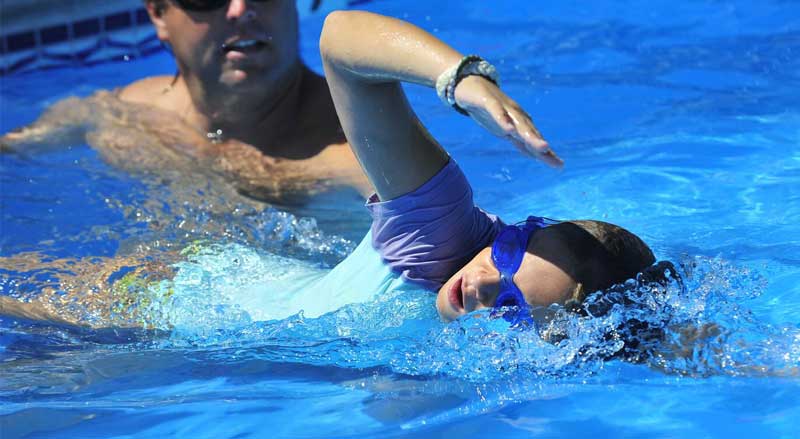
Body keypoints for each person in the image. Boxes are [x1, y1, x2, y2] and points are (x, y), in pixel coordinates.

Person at [0, 10, 656, 331]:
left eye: (510, 306)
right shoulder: (109, 110)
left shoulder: (341, 157)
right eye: (503, 259)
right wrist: (461, 78)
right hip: (167, 292)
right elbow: (340, 34)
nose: (486, 287)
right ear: (156, 14)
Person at [1, 0, 371, 206]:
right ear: (158, 15)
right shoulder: (126, 112)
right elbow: (15, 148)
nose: (240, 9)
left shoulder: (357, 148)